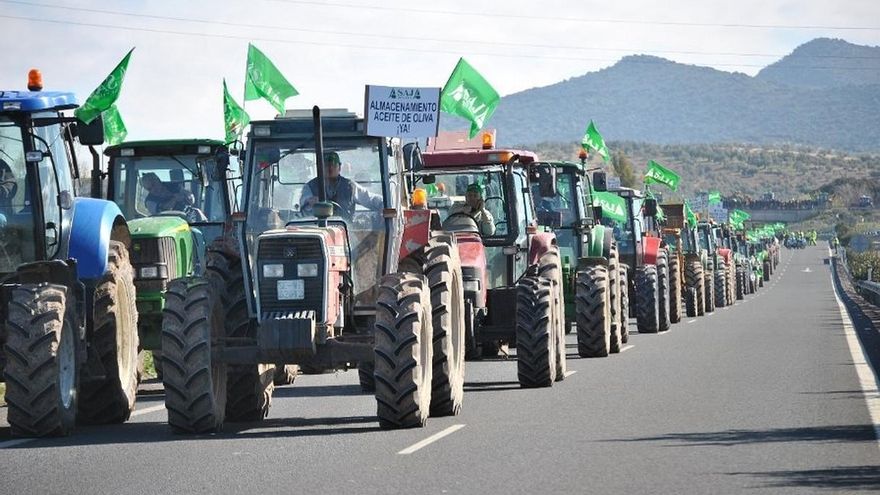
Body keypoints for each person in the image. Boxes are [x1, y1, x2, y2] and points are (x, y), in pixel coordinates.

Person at [299, 151, 383, 218]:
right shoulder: (309, 187)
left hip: (346, 230)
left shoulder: (350, 186)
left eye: (333, 165)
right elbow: (304, 202)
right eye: (327, 165)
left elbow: (370, 198)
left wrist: (384, 205)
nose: (330, 168)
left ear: (339, 167)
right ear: (320, 167)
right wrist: (310, 201)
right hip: (317, 227)